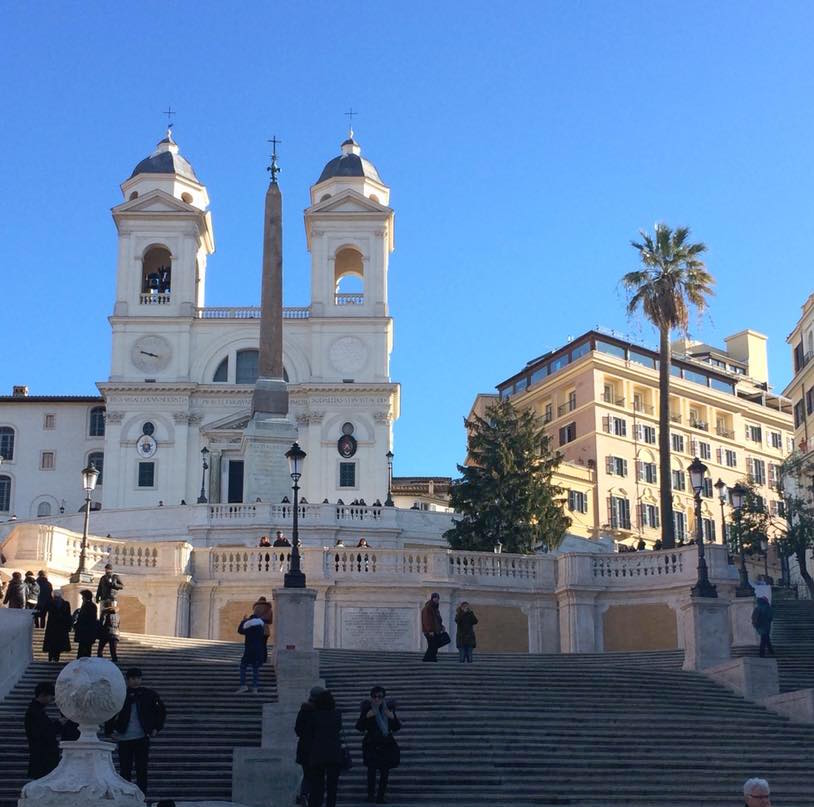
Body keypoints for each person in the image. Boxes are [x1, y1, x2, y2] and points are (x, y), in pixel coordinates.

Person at [105, 667, 166, 798]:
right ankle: (126, 795)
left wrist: (156, 727)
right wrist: (109, 730)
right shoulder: (121, 694)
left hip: (141, 737)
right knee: (125, 769)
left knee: (141, 769)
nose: (136, 681)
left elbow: (160, 711)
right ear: (127, 680)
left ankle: (141, 796)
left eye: (138, 678)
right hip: (124, 737)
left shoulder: (149, 694)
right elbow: (111, 711)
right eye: (133, 679)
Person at [356, 686, 401, 804]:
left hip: (386, 745)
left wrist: (393, 717)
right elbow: (359, 727)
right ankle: (370, 796)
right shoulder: (367, 709)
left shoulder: (388, 710)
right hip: (371, 745)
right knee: (371, 772)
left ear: (383, 698)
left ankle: (380, 797)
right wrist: (366, 717)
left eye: (379, 697)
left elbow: (397, 727)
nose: (377, 699)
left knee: (385, 773)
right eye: (374, 697)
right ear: (371, 697)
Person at [307, 689, 343, 807]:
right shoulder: (337, 714)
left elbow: (309, 733)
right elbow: (338, 730)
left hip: (317, 754)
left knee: (317, 787)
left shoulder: (314, 715)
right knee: (332, 788)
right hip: (334, 754)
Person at [25, 681, 65, 779]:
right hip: (43, 759)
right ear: (43, 695)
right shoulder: (34, 712)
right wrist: (58, 724)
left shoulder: (36, 710)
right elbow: (44, 732)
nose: (52, 699)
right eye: (50, 696)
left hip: (43, 758)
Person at [295, 686, 324, 805]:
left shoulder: (304, 709)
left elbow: (297, 729)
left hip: (303, 749)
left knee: (307, 774)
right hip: (317, 749)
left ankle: (304, 794)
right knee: (317, 777)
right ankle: (310, 798)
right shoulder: (322, 711)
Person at [236, 613, 266, 693]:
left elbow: (240, 631)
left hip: (249, 650)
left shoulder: (249, 627)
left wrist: (243, 621)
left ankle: (243, 686)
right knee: (255, 669)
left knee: (243, 666)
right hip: (259, 651)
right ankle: (255, 687)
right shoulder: (261, 628)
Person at [43, 591, 72, 662]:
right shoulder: (65, 604)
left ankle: (52, 659)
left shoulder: (50, 603)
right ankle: (55, 659)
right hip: (59, 627)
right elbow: (68, 616)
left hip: (54, 627)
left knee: (53, 645)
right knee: (57, 645)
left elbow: (43, 612)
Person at [421, 592, 444, 662]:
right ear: (432, 598)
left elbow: (437, 620)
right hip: (430, 631)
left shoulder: (435, 608)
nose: (437, 599)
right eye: (435, 598)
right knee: (432, 646)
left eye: (438, 598)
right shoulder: (428, 608)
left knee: (434, 646)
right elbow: (426, 620)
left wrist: (442, 626)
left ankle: (432, 658)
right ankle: (426, 659)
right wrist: (430, 630)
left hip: (436, 631)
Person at [74, 589, 98, 658]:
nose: (82, 598)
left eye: (83, 597)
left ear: (85, 597)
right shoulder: (92, 606)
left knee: (83, 651)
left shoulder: (86, 606)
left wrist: (77, 625)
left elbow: (83, 619)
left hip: (85, 632)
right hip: (89, 632)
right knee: (87, 650)